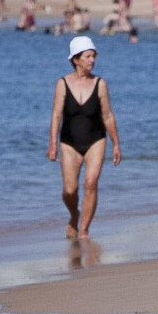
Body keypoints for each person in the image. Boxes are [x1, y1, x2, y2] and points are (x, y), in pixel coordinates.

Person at [47, 36, 122, 241]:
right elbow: (56, 115)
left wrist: (116, 143)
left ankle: (84, 230)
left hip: (96, 140)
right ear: (76, 59)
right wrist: (52, 143)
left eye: (93, 56)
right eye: (88, 56)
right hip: (69, 143)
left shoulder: (100, 84)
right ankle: (74, 215)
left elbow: (107, 115)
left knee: (91, 183)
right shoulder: (62, 84)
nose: (92, 60)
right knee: (69, 190)